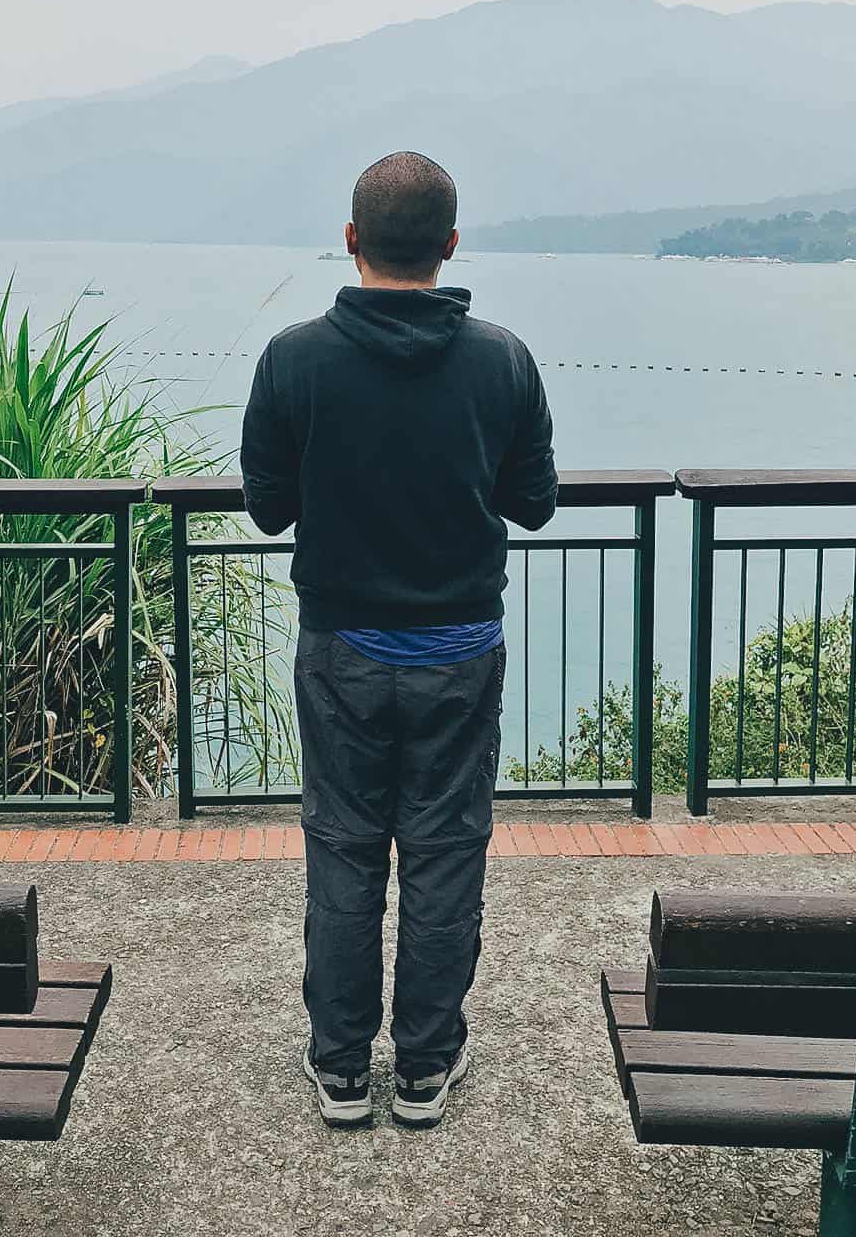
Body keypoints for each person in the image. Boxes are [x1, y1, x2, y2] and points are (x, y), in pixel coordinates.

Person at [240, 150, 557, 1129]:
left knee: (343, 852)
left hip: (340, 648)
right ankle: (424, 1068)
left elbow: (266, 509)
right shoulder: (501, 360)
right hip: (459, 650)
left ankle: (340, 1068)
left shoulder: (294, 360)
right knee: (444, 853)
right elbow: (535, 505)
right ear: (451, 245)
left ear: (351, 240)